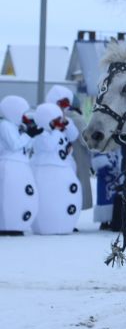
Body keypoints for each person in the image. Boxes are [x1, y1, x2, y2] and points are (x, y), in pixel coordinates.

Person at [30, 103, 82, 235]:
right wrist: (58, 131)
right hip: (45, 171)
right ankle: (47, 225)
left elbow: (68, 142)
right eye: (55, 121)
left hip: (62, 169)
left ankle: (64, 223)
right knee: (48, 199)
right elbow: (49, 146)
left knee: (62, 198)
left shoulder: (57, 133)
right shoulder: (40, 133)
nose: (58, 124)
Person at [46, 85, 92, 212]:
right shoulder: (75, 118)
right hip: (68, 159)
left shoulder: (64, 119)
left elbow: (75, 135)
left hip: (65, 160)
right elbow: (86, 140)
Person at [0, 95, 39, 235]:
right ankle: (6, 224)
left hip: (20, 165)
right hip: (9, 165)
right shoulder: (5, 125)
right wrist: (28, 134)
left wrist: (32, 135)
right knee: (9, 196)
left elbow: (25, 147)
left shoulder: (16, 126)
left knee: (20, 196)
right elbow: (15, 145)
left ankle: (16, 223)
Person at [92, 149, 123, 230]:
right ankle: (104, 221)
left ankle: (115, 218)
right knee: (104, 197)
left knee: (116, 197)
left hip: (116, 171)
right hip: (105, 172)